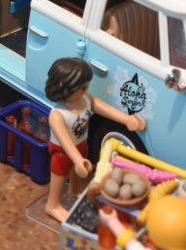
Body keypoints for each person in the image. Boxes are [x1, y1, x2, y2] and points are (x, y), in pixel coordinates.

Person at [44, 57, 146, 222]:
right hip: (62, 152)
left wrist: (126, 119)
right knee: (59, 174)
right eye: (82, 87)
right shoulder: (57, 115)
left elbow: (103, 107)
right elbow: (65, 142)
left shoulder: (85, 100)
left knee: (77, 174)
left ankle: (75, 191)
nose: (86, 89)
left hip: (81, 144)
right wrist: (77, 160)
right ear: (66, 89)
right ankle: (53, 204)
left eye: (86, 85)